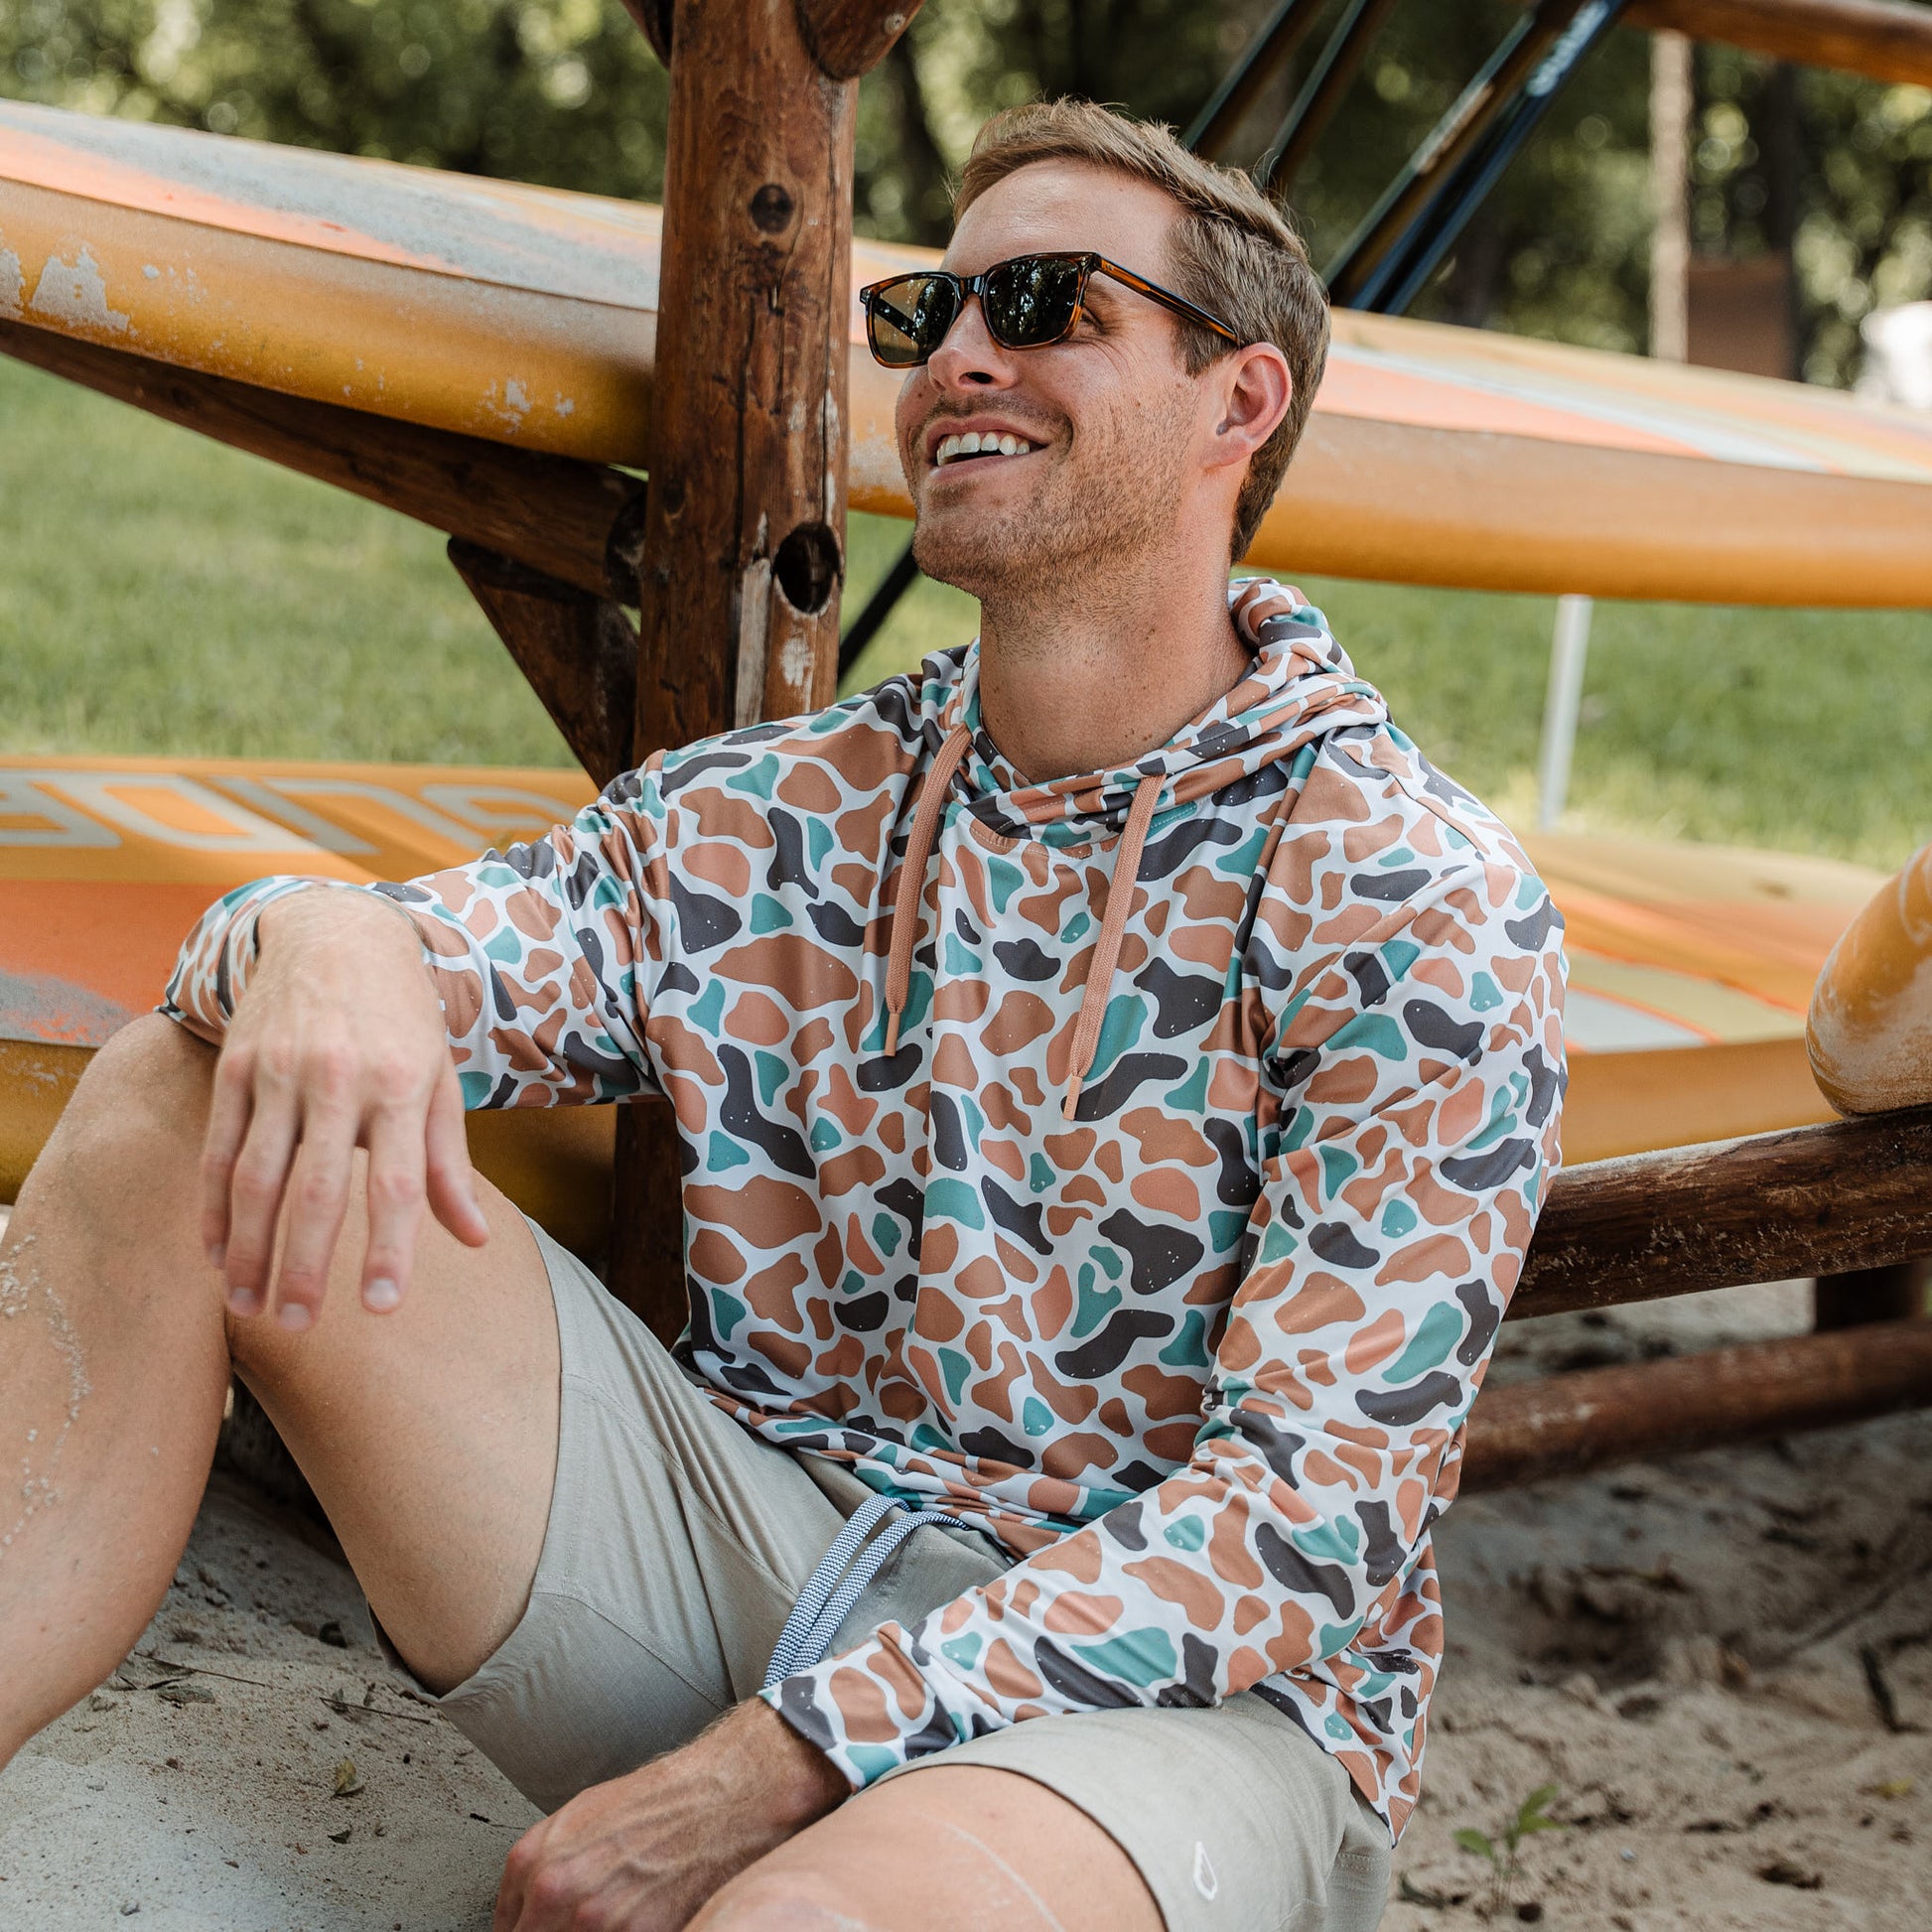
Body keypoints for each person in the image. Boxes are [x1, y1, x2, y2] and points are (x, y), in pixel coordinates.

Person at [0, 99, 1565, 1931]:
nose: (963, 352)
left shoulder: (1417, 893)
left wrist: (785, 1758)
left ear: (1241, 403)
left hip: (1176, 1713)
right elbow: (429, 956)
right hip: (756, 1565)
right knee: (185, 1092)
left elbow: (1302, 1519)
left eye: (1047, 302)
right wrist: (321, 934)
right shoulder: (789, 808)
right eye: (928, 314)